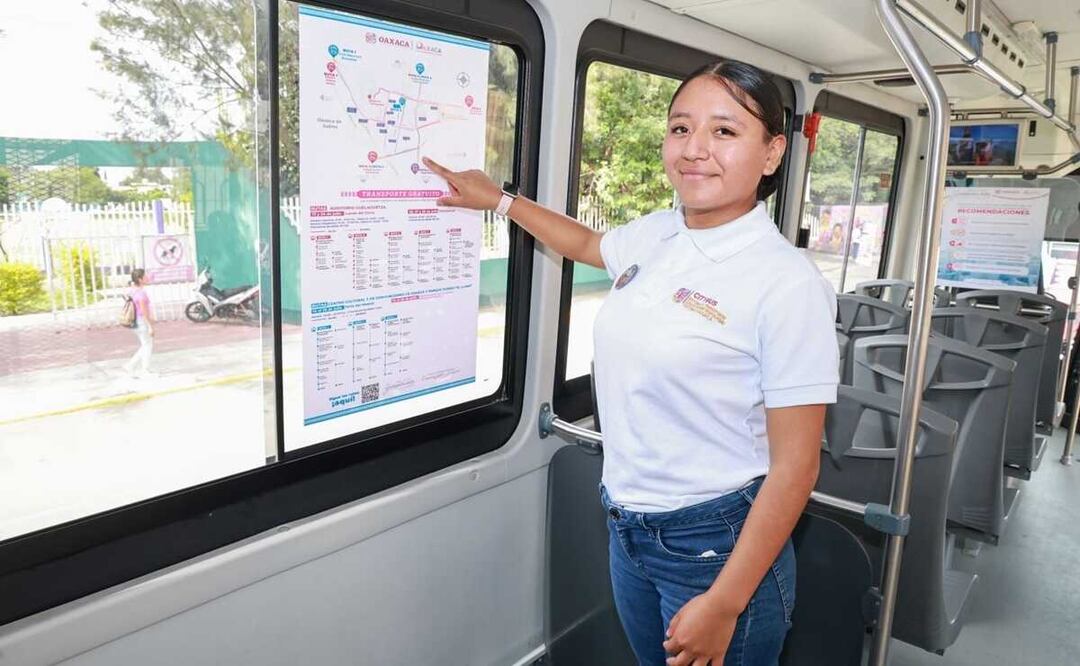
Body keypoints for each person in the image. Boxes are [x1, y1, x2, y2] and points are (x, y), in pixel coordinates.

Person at [424, 58, 837, 666]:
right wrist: (499, 199)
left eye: (724, 131)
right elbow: (588, 244)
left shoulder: (787, 283)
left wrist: (724, 604)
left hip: (716, 541)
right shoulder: (659, 233)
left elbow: (795, 470)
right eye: (680, 128)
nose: (694, 149)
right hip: (627, 519)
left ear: (773, 152)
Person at [123, 268, 155, 377]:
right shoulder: (141, 293)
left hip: (136, 321)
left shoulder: (133, 290)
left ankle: (130, 366)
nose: (148, 278)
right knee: (147, 346)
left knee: (146, 345)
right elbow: (143, 311)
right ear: (140, 279)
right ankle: (145, 370)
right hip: (141, 322)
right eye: (145, 276)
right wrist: (150, 326)